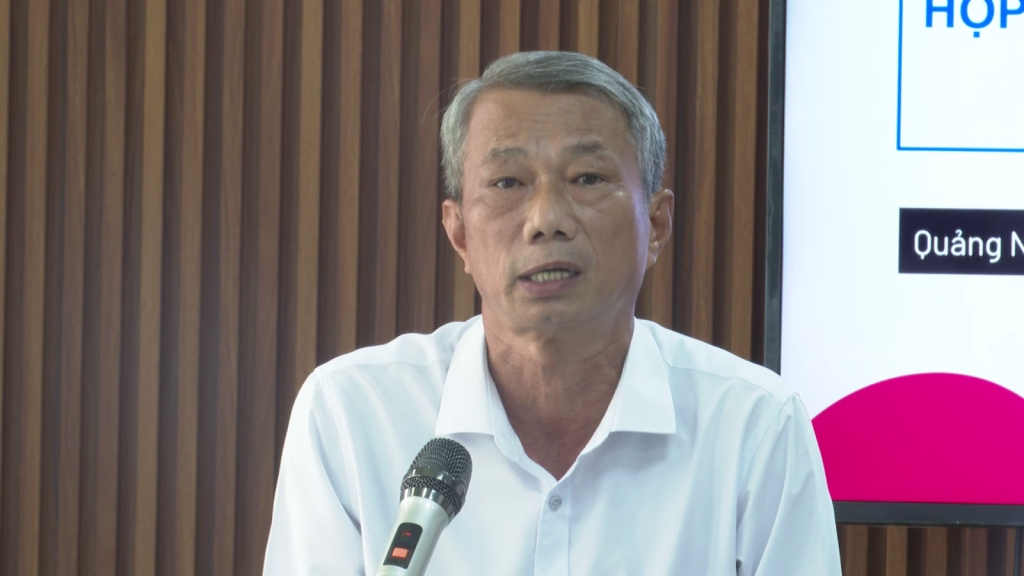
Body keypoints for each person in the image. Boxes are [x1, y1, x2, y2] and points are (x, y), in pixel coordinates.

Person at [263, 51, 841, 575]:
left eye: (587, 178)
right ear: (459, 233)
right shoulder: (350, 413)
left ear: (657, 225)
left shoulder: (756, 428)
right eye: (507, 182)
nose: (546, 220)